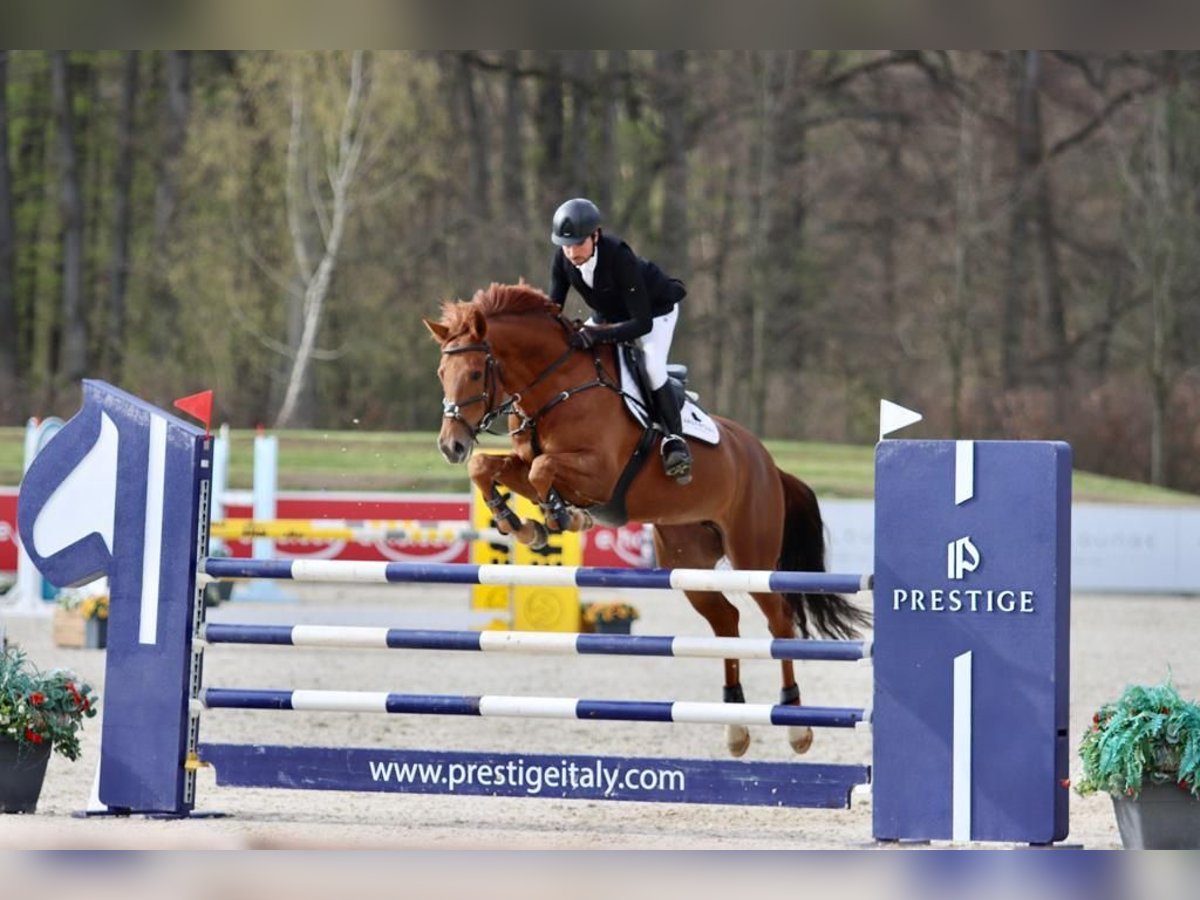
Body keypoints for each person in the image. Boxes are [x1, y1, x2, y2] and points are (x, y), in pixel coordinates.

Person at [548, 197, 692, 484]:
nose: (572, 252)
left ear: (596, 236)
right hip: (609, 312)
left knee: (651, 366)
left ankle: (675, 441)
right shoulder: (562, 259)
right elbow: (553, 307)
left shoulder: (619, 257)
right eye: (567, 245)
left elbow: (641, 324)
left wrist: (596, 334)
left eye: (579, 244)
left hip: (655, 311)